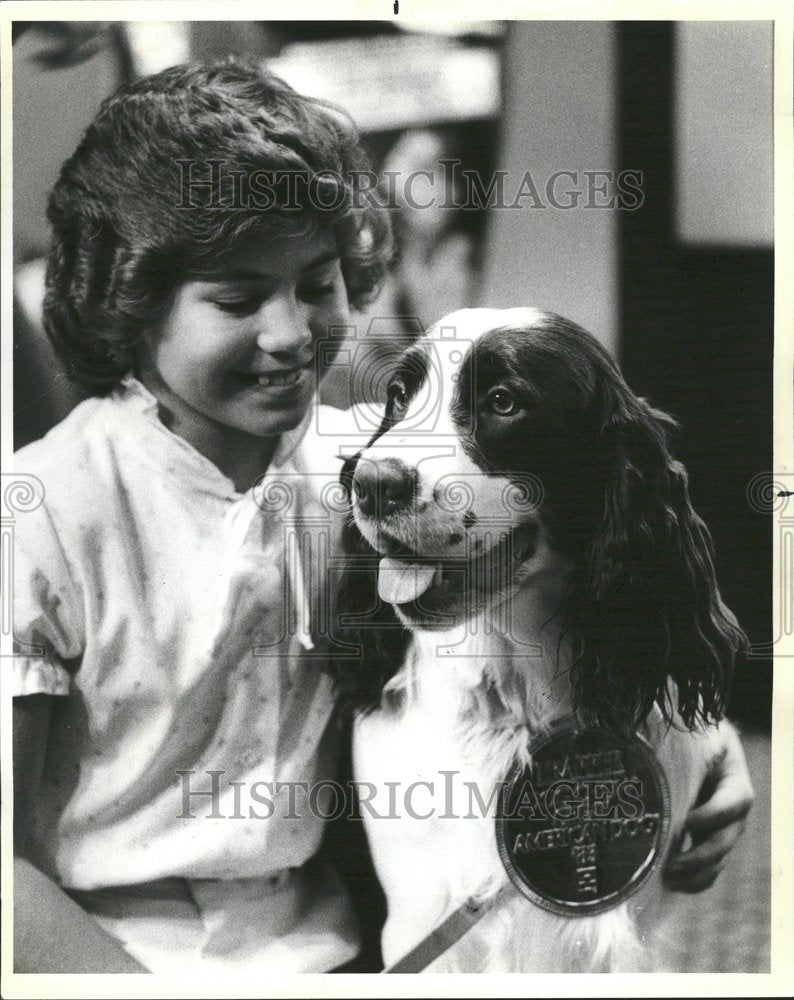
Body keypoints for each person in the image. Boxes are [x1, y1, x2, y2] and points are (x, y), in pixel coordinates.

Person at [11, 60, 753, 975]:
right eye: (238, 301)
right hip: (106, 954)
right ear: (129, 303)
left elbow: (611, 525)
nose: (290, 335)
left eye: (318, 285)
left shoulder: (371, 461)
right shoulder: (43, 510)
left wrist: (707, 734)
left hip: (328, 947)